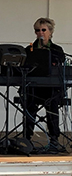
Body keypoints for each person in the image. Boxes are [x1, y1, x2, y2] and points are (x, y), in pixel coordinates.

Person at [24, 17, 65, 152]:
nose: (40, 33)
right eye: (37, 30)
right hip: (34, 88)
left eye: (43, 30)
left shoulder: (57, 50)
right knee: (29, 103)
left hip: (51, 89)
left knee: (53, 104)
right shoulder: (29, 49)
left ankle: (54, 139)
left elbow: (60, 69)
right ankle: (26, 138)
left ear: (50, 31)